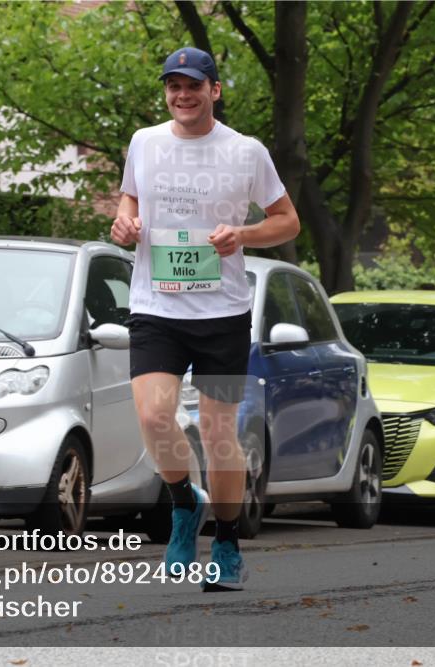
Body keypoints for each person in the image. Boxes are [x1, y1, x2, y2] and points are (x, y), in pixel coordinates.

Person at [110, 47, 299, 590]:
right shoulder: (145, 142)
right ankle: (182, 502)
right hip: (156, 307)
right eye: (174, 85)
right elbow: (128, 201)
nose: (182, 94)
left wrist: (243, 235)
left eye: (194, 85)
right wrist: (124, 223)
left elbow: (287, 222)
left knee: (219, 433)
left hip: (221, 313)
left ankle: (227, 540)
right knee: (153, 417)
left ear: (215, 91)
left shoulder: (246, 151)